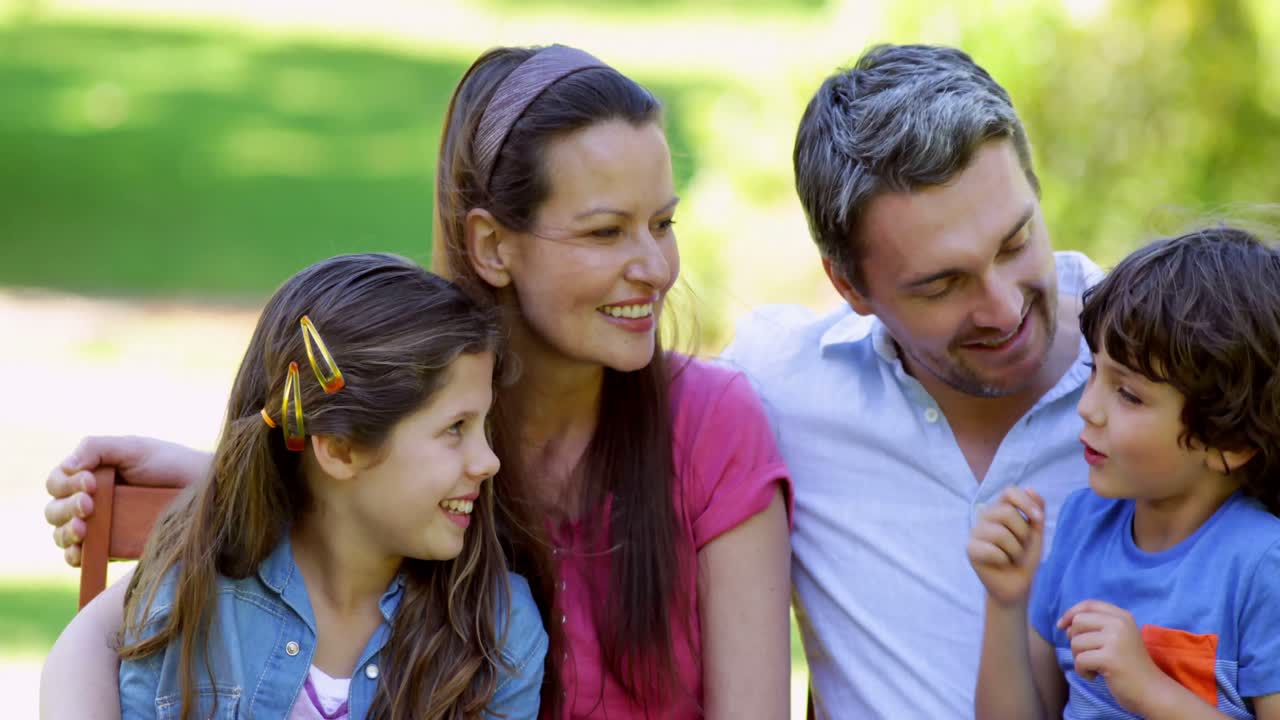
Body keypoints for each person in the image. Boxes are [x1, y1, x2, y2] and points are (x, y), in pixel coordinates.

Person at [42, 44, 792, 720]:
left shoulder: (711, 427)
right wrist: (228, 480)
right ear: (491, 245)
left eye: (663, 224)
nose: (656, 268)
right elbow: (356, 498)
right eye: (605, 231)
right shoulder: (426, 414)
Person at [721, 44, 1100, 717]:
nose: (1003, 309)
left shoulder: (1174, 370)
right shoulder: (777, 387)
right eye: (942, 284)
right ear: (849, 286)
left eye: (1015, 243)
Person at [118, 253, 546, 719]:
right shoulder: (189, 597)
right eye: (455, 427)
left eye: (483, 426)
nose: (489, 462)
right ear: (340, 449)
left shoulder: (497, 635)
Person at [969, 226, 1280, 719]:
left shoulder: (1262, 563)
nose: (1087, 408)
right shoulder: (1082, 527)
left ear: (1229, 443)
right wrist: (1005, 602)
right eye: (1094, 370)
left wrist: (1148, 690)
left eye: (1129, 394)